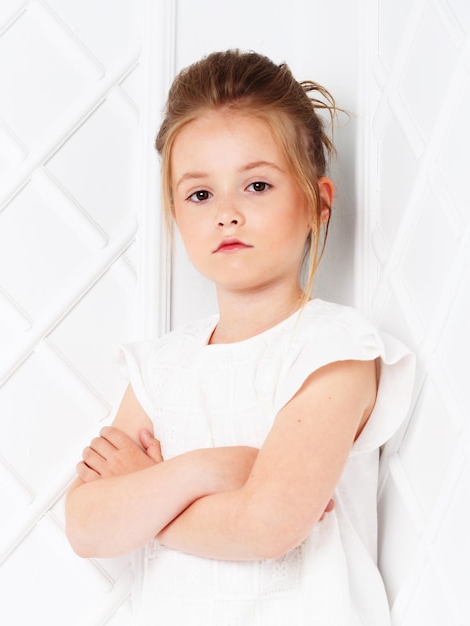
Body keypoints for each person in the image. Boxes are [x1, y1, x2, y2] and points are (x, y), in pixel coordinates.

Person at [65, 49, 415, 625]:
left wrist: (145, 494)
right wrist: (202, 471)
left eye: (256, 185)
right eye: (200, 194)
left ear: (317, 205)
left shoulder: (335, 350)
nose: (227, 213)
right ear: (176, 214)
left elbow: (268, 526)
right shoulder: (161, 366)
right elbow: (87, 526)